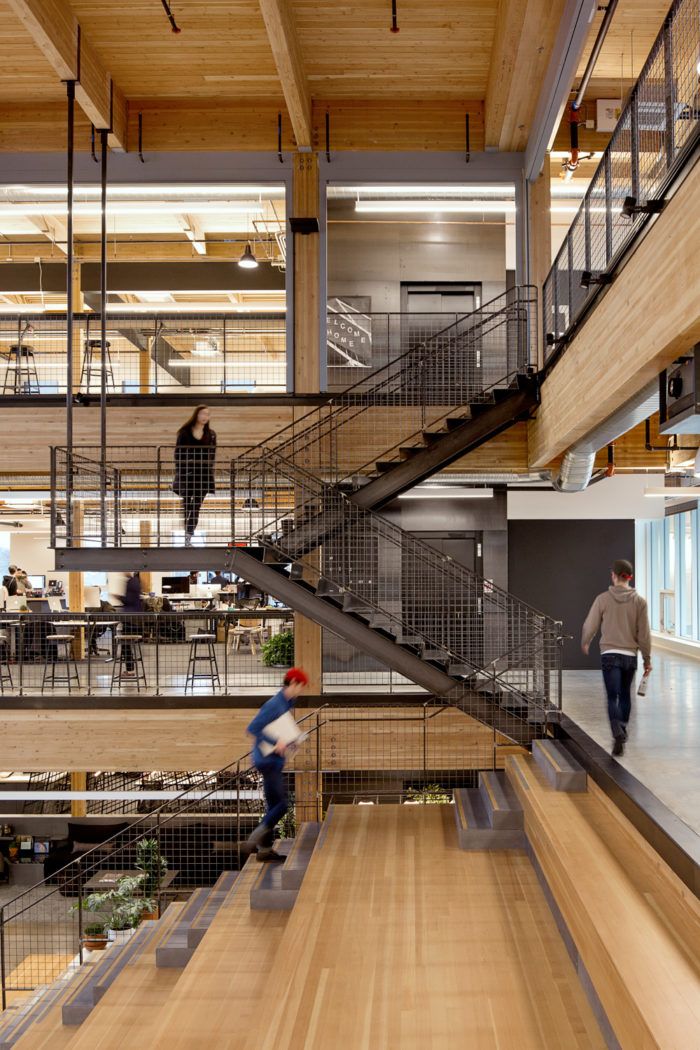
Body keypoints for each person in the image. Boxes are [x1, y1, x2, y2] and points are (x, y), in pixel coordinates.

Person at [581, 559, 652, 757]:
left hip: (609, 655)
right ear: (629, 577)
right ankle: (622, 726)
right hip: (630, 655)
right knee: (625, 694)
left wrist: (585, 641)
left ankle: (616, 732)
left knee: (612, 696)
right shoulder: (640, 602)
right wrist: (647, 659)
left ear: (614, 575)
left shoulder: (603, 598)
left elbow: (590, 623)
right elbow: (644, 634)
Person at [242, 668, 309, 862]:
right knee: (281, 805)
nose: (301, 691)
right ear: (294, 682)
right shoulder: (274, 704)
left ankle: (264, 850)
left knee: (272, 804)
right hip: (268, 760)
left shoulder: (286, 702)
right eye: (301, 686)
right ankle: (254, 839)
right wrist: (276, 742)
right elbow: (253, 728)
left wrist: (290, 741)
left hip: (272, 760)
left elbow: (277, 727)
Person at [173, 406, 216, 547]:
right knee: (187, 505)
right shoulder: (185, 433)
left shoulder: (211, 434)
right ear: (196, 415)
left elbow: (212, 456)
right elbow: (178, 454)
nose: (205, 416)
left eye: (207, 414)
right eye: (202, 413)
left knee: (196, 506)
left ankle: (189, 536)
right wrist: (181, 472)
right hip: (187, 475)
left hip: (203, 476)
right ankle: (187, 534)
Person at [119, 572, 143, 677]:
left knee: (126, 646)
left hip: (130, 619)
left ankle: (130, 670)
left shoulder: (131, 582)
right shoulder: (136, 581)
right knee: (127, 645)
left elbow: (129, 599)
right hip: (135, 619)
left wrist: (119, 597)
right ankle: (130, 669)